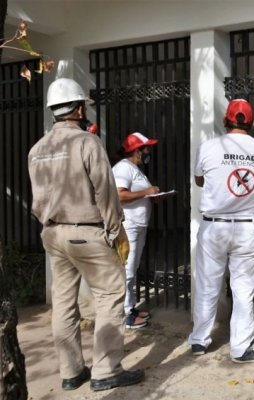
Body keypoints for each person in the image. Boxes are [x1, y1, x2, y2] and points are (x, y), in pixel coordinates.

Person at [28, 78, 144, 391]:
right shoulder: (87, 143)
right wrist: (115, 229)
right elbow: (106, 192)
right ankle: (106, 370)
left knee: (64, 303)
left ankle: (71, 372)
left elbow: (37, 200)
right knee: (110, 295)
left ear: (54, 110)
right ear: (79, 108)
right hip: (87, 232)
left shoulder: (37, 149)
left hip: (52, 234)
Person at [188, 98, 254, 363]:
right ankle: (241, 348)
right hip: (247, 230)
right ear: (252, 123)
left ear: (224, 121)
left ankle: (199, 340)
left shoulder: (208, 147)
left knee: (207, 285)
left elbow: (199, 179)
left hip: (214, 227)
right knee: (243, 290)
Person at [112, 132, 160, 329]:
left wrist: (153, 196)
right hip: (129, 225)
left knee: (132, 268)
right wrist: (147, 192)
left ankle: (130, 307)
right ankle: (125, 316)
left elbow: (137, 195)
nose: (148, 151)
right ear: (136, 151)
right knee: (127, 270)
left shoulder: (134, 169)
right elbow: (119, 195)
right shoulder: (123, 168)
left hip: (138, 225)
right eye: (145, 148)